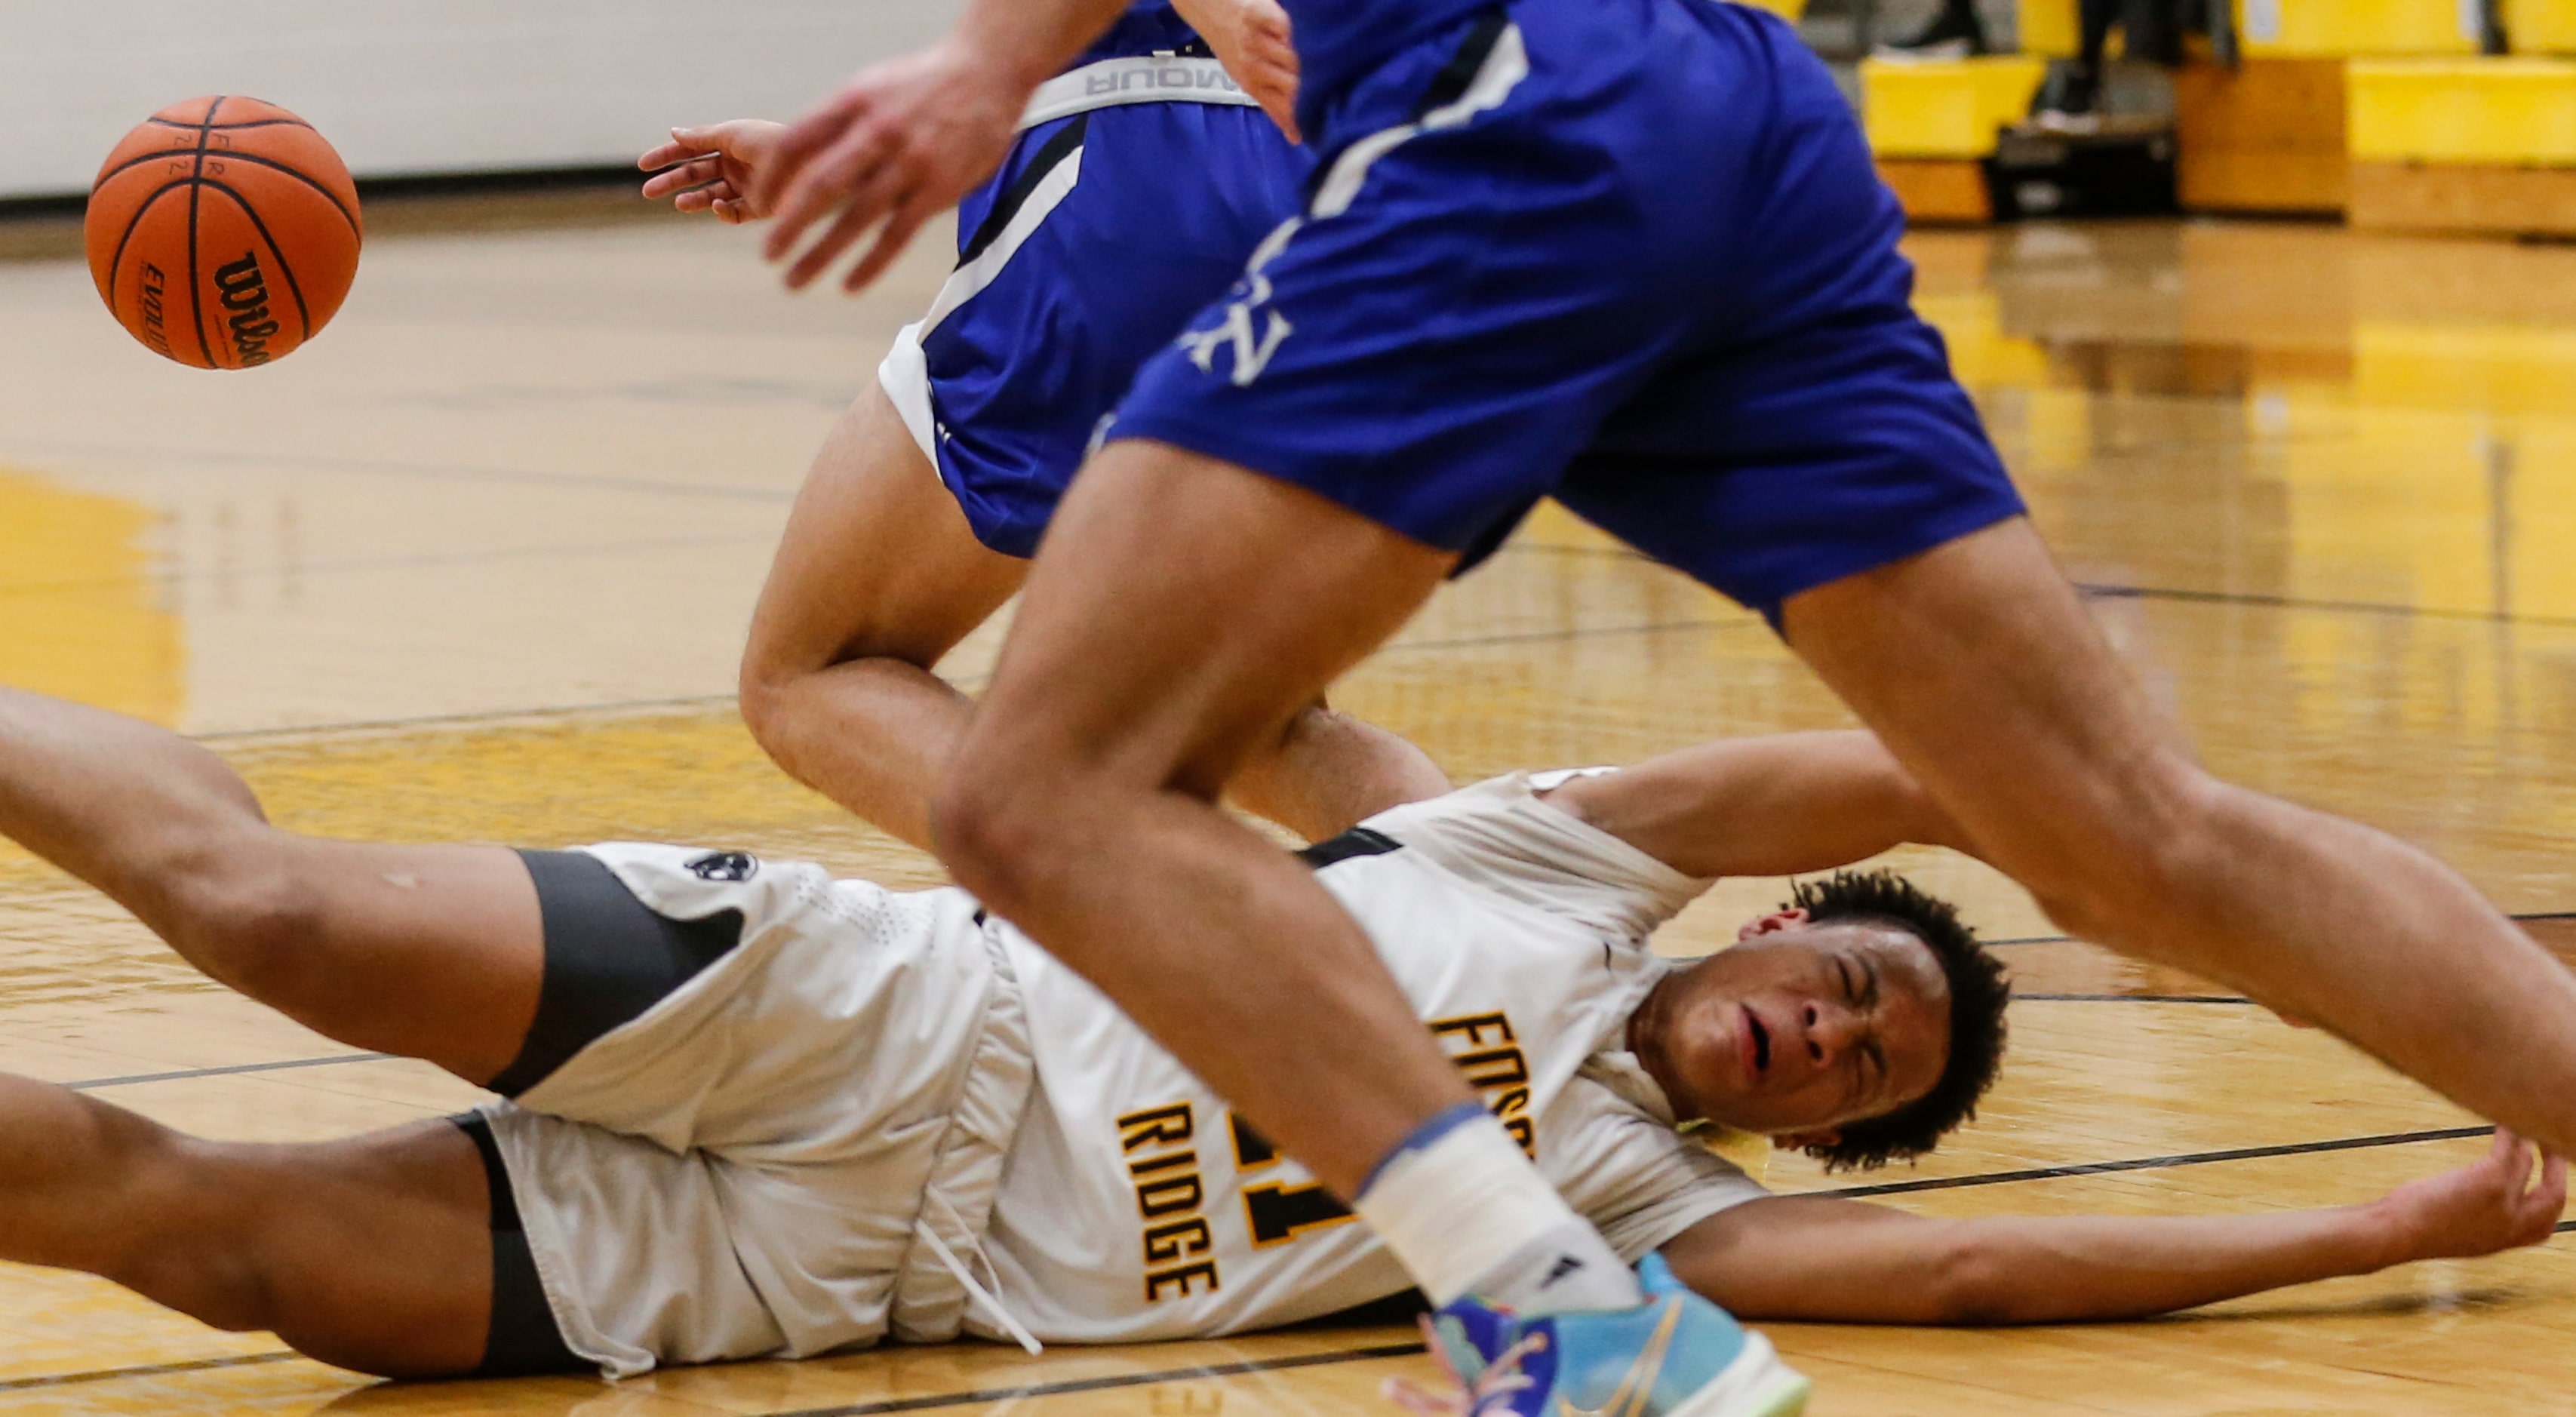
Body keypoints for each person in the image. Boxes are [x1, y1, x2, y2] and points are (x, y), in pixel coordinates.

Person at [734, 0, 2576, 1409]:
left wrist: (984, 66)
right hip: (1742, 110)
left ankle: (1562, 1318)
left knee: (1044, 792)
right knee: (2123, 836)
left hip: (1510, 119)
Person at [0, 685, 2560, 1385]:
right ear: (1772, 916)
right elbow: (1933, 748)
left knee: (205, 1235)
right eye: (1847, 977)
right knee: (265, 912)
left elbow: (1991, 1288)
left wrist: (2386, 1205)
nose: (1822, 1031)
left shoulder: (1633, 1215)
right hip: (883, 1017)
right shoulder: (1553, 852)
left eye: (1861, 1070)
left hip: (841, 1284)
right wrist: (2202, 870)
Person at [643, 0, 1430, 855]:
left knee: (812, 674)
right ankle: (1486, 926)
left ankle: (1142, 914)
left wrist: (1225, 18)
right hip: (1331, 201)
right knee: (1250, 727)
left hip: (1129, 171)